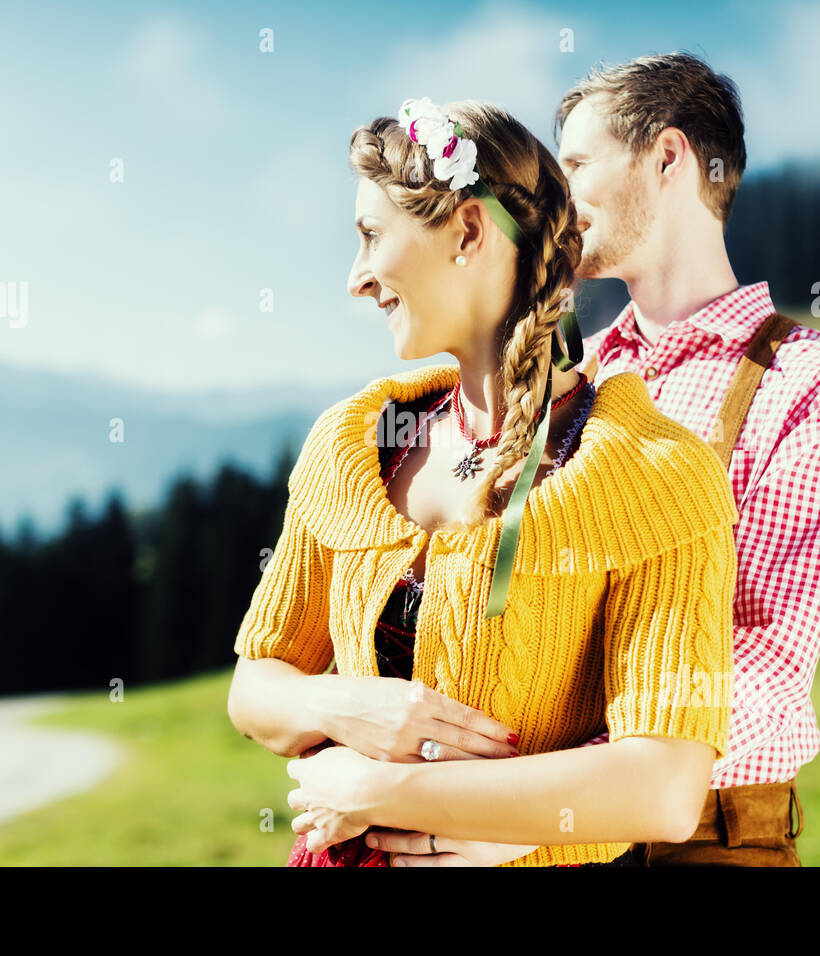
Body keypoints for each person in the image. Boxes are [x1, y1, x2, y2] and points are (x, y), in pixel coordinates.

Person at [368, 54, 820, 867]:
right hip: (502, 812)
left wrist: (546, 806)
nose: (551, 200)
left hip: (703, 838)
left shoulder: (819, 388)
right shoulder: (568, 379)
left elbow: (765, 660)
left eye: (573, 166)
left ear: (670, 159)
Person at [227, 96, 739, 866]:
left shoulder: (659, 474)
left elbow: (663, 787)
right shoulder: (352, 445)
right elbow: (255, 687)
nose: (357, 279)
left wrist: (378, 791)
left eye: (371, 237)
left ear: (467, 230)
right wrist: (344, 705)